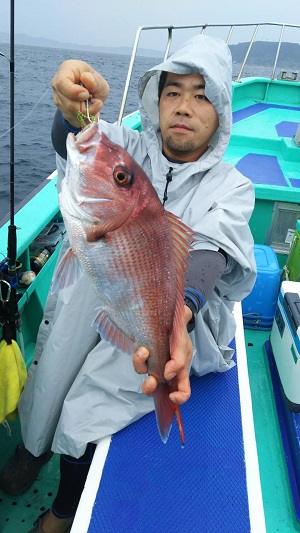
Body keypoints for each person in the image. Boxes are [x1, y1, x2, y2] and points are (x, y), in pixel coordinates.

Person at [0, 34, 256, 532]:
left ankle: (63, 508)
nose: (183, 107)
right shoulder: (129, 147)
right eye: (172, 91)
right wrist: (73, 104)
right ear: (155, 99)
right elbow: (75, 138)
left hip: (167, 319)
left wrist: (177, 313)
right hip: (103, 285)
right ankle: (32, 448)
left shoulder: (233, 185)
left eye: (202, 95)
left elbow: (211, 249)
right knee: (51, 369)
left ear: (222, 109)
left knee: (84, 411)